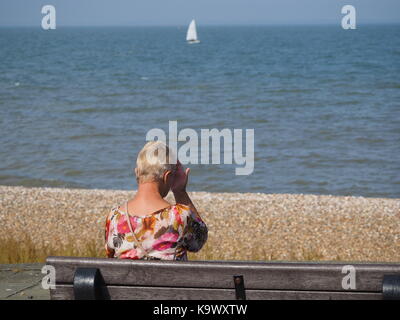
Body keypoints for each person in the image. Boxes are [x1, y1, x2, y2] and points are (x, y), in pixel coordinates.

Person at [104, 141, 208, 260]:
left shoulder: (114, 217)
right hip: (170, 279)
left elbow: (110, 256)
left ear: (136, 173)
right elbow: (199, 241)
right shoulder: (179, 216)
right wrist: (180, 191)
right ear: (167, 177)